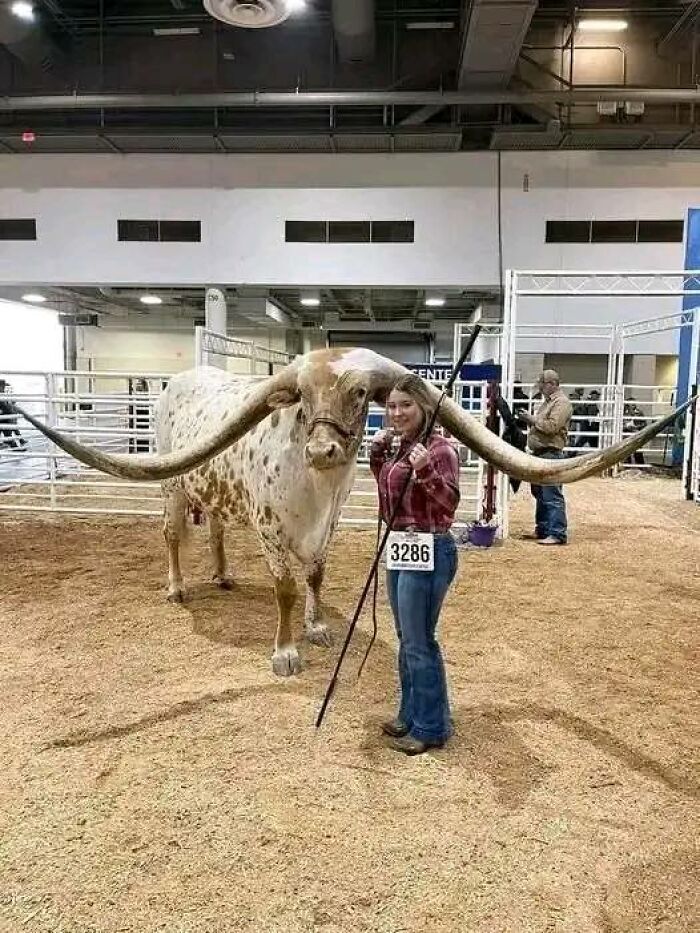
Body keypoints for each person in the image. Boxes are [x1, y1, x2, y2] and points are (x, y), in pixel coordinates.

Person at [370, 376, 460, 756]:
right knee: (408, 639)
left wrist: (425, 470)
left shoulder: (439, 450)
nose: (397, 413)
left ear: (424, 407)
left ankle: (431, 726)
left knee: (419, 640)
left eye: (405, 405)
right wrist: (378, 457)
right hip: (402, 548)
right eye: (391, 406)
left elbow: (449, 505)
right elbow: (390, 492)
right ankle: (411, 713)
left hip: (431, 547)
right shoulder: (397, 447)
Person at [518, 369, 572, 545]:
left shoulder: (561, 403)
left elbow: (552, 427)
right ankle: (543, 529)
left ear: (552, 384)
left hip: (551, 454)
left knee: (551, 494)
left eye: (542, 384)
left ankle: (557, 533)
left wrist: (531, 420)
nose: (540, 388)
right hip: (540, 454)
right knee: (539, 492)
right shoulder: (547, 402)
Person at [0, 379, 27, 450]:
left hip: (5, 417)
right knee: (9, 429)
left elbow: (8, 405)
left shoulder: (4, 395)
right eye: (2, 386)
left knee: (9, 429)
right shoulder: (2, 395)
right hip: (4, 417)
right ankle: (15, 444)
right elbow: (6, 408)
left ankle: (15, 444)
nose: (3, 388)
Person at [623, 397, 646, 465]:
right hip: (625, 433)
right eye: (631, 403)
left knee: (637, 450)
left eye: (634, 403)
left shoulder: (639, 412)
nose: (633, 404)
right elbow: (619, 424)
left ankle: (640, 465)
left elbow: (644, 424)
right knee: (626, 450)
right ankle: (627, 465)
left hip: (636, 433)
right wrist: (625, 427)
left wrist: (637, 427)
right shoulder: (623, 413)